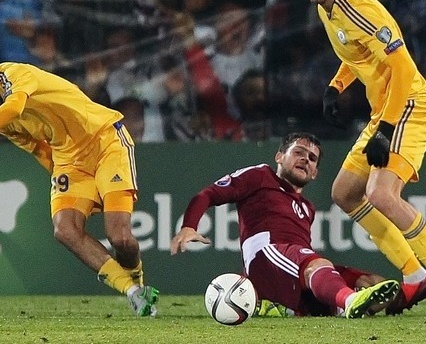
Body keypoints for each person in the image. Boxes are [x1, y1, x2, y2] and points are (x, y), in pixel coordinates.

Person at [295, 0, 426, 319]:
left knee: (381, 194)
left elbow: (403, 67)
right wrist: (336, 87)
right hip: (386, 111)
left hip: (410, 106)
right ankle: (415, 275)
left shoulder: (359, 9)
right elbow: (358, 55)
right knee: (345, 193)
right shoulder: (326, 8)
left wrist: (386, 129)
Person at [0, 37, 159, 317]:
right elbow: (39, 149)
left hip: (104, 141)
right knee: (65, 230)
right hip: (69, 160)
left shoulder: (12, 74)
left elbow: (14, 107)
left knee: (120, 239)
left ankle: (138, 281)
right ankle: (132, 292)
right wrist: (63, 184)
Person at [170, 132, 400, 318]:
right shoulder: (260, 176)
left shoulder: (307, 208)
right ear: (279, 156)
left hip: (293, 264)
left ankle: (290, 306)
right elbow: (207, 194)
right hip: (266, 254)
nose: (305, 159)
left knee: (376, 284)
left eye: (312, 159)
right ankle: (348, 302)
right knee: (317, 265)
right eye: (298, 152)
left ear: (315, 173)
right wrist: (189, 225)